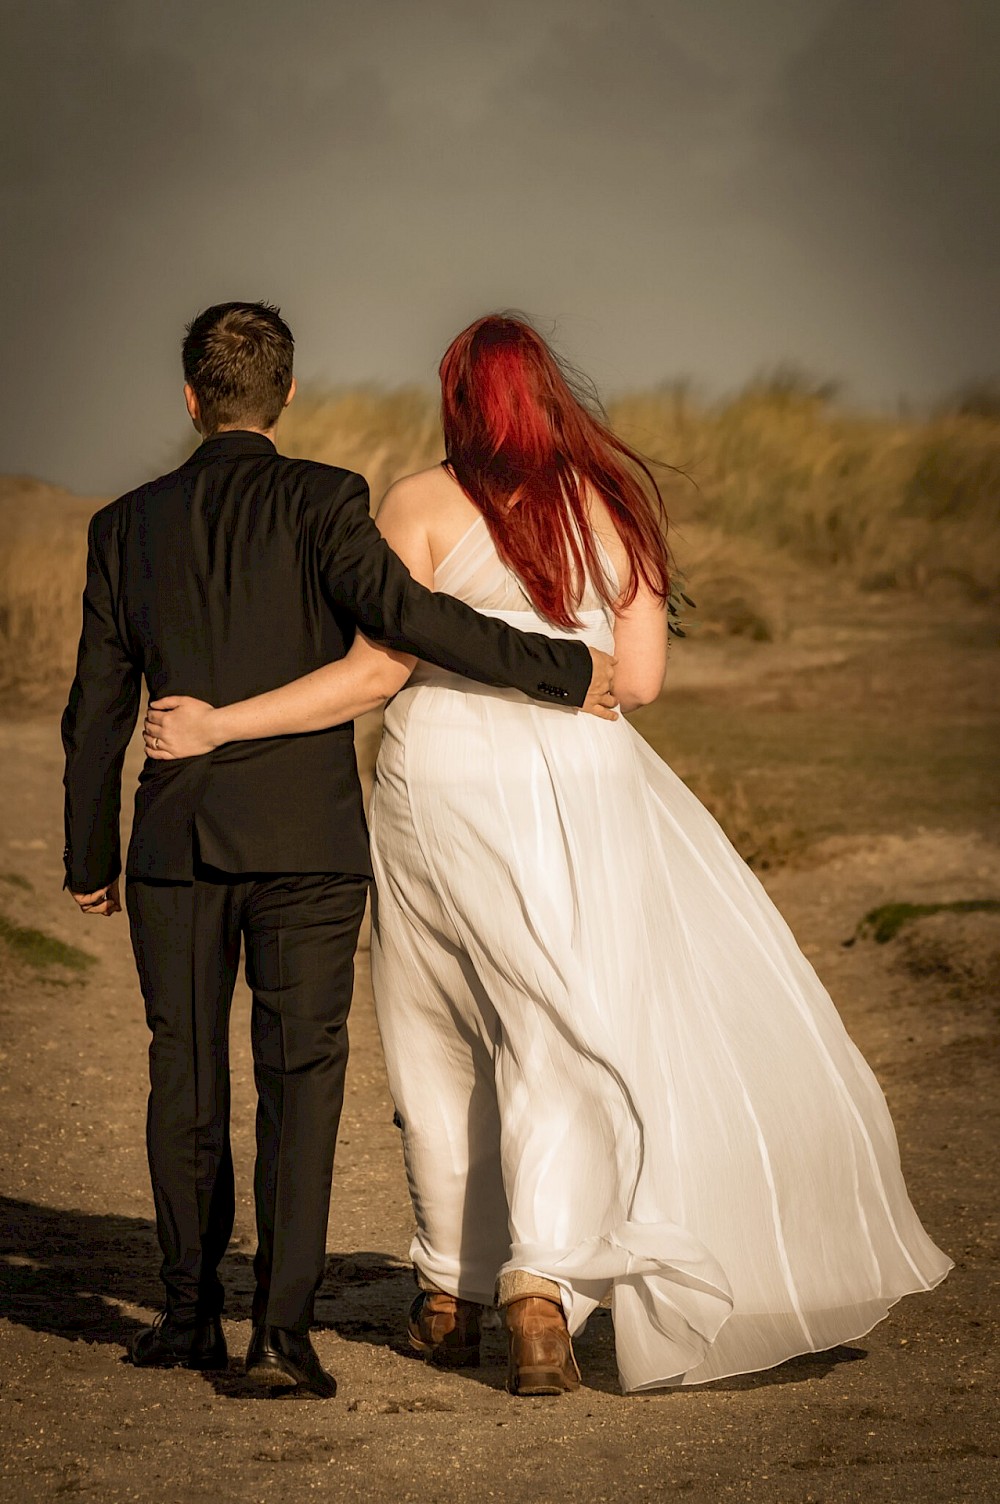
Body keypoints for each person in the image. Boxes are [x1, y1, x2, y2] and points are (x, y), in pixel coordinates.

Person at [143, 312, 951, 1397]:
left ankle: (450, 1290)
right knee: (560, 1026)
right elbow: (645, 682)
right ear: (550, 398)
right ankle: (540, 1294)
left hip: (444, 777)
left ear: (459, 402)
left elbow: (376, 673)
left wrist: (222, 724)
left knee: (434, 1028)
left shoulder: (421, 502)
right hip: (583, 776)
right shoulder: (615, 508)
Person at [61, 302, 616, 1400]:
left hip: (175, 836)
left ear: (188, 398)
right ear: (288, 396)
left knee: (185, 1069)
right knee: (299, 1080)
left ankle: (183, 1315)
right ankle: (281, 1336)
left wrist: (91, 853)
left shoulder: (123, 525)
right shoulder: (325, 500)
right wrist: (562, 672)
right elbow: (411, 617)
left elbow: (94, 708)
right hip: (308, 840)